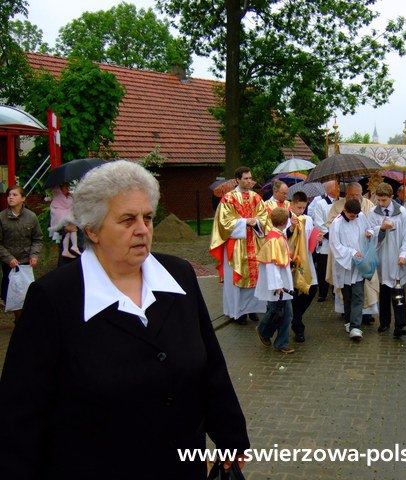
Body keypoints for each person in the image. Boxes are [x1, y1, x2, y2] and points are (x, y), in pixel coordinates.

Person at [0, 161, 249, 479]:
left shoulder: (179, 276)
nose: (143, 229)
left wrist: (231, 437)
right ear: (92, 229)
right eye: (127, 220)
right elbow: (21, 412)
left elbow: (210, 365)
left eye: (147, 217)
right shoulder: (54, 298)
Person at [210, 167, 269, 325]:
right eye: (246, 179)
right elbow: (224, 222)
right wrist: (244, 222)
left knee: (256, 278)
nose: (249, 181)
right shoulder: (228, 199)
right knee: (237, 278)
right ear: (237, 180)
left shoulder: (256, 197)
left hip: (254, 242)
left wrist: (256, 221)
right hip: (236, 245)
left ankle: (253, 309)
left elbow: (264, 216)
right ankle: (238, 312)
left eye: (250, 178)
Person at [366, 183, 406, 338]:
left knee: (398, 291)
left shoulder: (402, 212)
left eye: (384, 200)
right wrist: (382, 229)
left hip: (397, 256)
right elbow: (370, 232)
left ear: (392, 198)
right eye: (378, 200)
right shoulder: (373, 213)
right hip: (382, 257)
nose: (381, 203)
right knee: (384, 291)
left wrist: (404, 254)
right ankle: (384, 322)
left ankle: (400, 324)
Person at [255, 207, 296, 354]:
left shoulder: (277, 234)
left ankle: (280, 343)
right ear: (285, 222)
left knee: (286, 313)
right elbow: (272, 264)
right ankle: (264, 331)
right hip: (278, 286)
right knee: (276, 312)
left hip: (281, 284)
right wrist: (277, 286)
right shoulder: (274, 239)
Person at [0, 185, 43, 321]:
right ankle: (19, 320)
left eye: (14, 195)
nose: (10, 197)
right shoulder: (2, 217)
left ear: (23, 198)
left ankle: (24, 321)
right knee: (11, 294)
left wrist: (34, 255)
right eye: (9, 195)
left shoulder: (31, 217)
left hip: (26, 263)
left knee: (27, 294)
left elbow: (38, 238)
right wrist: (8, 258)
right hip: (9, 264)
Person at [329, 199, 370, 341]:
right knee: (348, 296)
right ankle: (348, 321)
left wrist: (369, 233)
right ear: (345, 210)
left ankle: (356, 327)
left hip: (359, 263)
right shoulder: (336, 224)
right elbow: (335, 246)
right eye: (352, 216)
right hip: (345, 265)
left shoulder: (361, 216)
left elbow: (367, 229)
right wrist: (352, 252)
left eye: (356, 216)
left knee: (358, 295)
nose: (355, 218)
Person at [287, 191, 321, 343]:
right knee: (293, 292)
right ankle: (298, 327)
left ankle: (294, 315)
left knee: (312, 288)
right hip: (290, 261)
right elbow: (280, 236)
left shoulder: (308, 219)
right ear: (292, 204)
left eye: (303, 208)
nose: (301, 211)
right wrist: (291, 229)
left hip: (305, 260)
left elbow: (311, 241)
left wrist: (317, 239)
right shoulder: (286, 218)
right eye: (298, 207)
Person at [309, 180, 339, 302]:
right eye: (336, 187)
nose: (338, 189)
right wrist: (331, 236)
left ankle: (335, 290)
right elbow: (319, 223)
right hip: (326, 243)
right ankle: (322, 292)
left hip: (339, 242)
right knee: (323, 269)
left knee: (336, 268)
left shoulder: (341, 202)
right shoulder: (320, 204)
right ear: (329, 189)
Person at [49, 184, 83, 263]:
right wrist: (65, 228)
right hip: (67, 244)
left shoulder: (72, 199)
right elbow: (55, 222)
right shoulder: (57, 203)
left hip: (80, 244)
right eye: (65, 187)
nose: (68, 189)